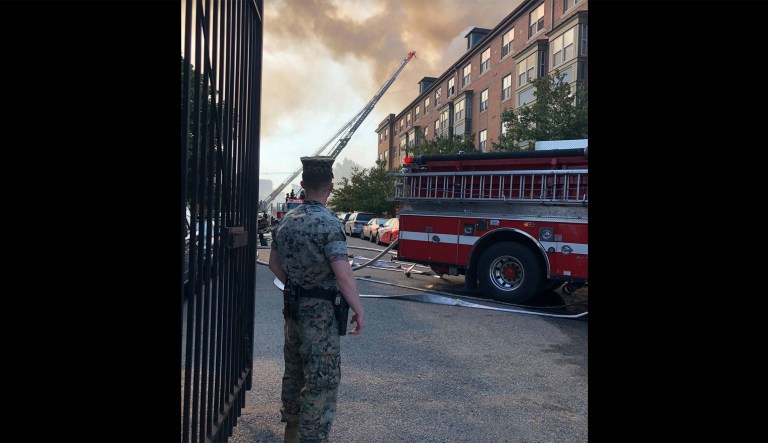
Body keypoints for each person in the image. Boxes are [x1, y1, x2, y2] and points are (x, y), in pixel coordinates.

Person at [268, 156, 365, 443]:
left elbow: (274, 264)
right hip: (321, 314)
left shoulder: (285, 222)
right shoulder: (329, 223)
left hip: (293, 310)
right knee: (322, 378)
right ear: (330, 187)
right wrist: (358, 310)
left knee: (294, 370)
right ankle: (311, 438)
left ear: (302, 185)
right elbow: (343, 275)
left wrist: (296, 284)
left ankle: (292, 431)